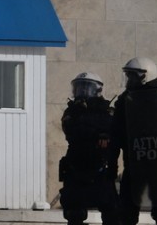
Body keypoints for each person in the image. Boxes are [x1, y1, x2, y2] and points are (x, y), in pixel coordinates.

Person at [111, 57, 157, 225]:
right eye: (127, 76)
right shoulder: (125, 101)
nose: (128, 80)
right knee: (126, 213)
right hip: (134, 164)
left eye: (131, 76)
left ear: (144, 77)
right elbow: (116, 135)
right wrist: (112, 167)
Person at [58, 72, 119, 225]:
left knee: (111, 211)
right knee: (74, 212)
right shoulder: (71, 111)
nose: (83, 91)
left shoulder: (107, 111)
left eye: (87, 87)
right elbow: (72, 131)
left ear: (97, 90)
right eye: (80, 87)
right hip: (75, 168)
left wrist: (101, 131)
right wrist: (97, 132)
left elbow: (112, 130)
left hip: (100, 168)